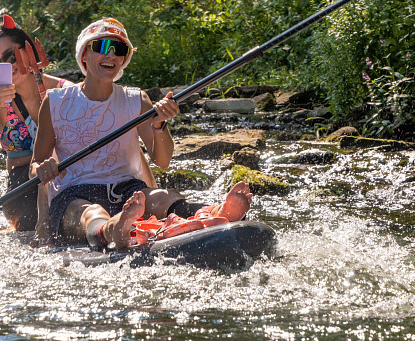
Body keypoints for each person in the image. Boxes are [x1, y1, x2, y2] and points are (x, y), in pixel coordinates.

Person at [31, 17, 253, 249]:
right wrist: (42, 169)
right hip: (73, 194)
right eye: (102, 47)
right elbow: (35, 165)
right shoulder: (55, 101)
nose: (111, 56)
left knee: (163, 197)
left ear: (124, 59)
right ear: (84, 55)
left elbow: (163, 161)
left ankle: (215, 212)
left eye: (119, 50)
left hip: (126, 190)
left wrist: (159, 125)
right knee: (91, 212)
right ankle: (111, 230)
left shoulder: (137, 100)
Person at [0, 14, 74, 231]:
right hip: (23, 187)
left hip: (66, 177)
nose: (6, 66)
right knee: (30, 218)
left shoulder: (65, 91)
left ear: (29, 50)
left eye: (10, 56)